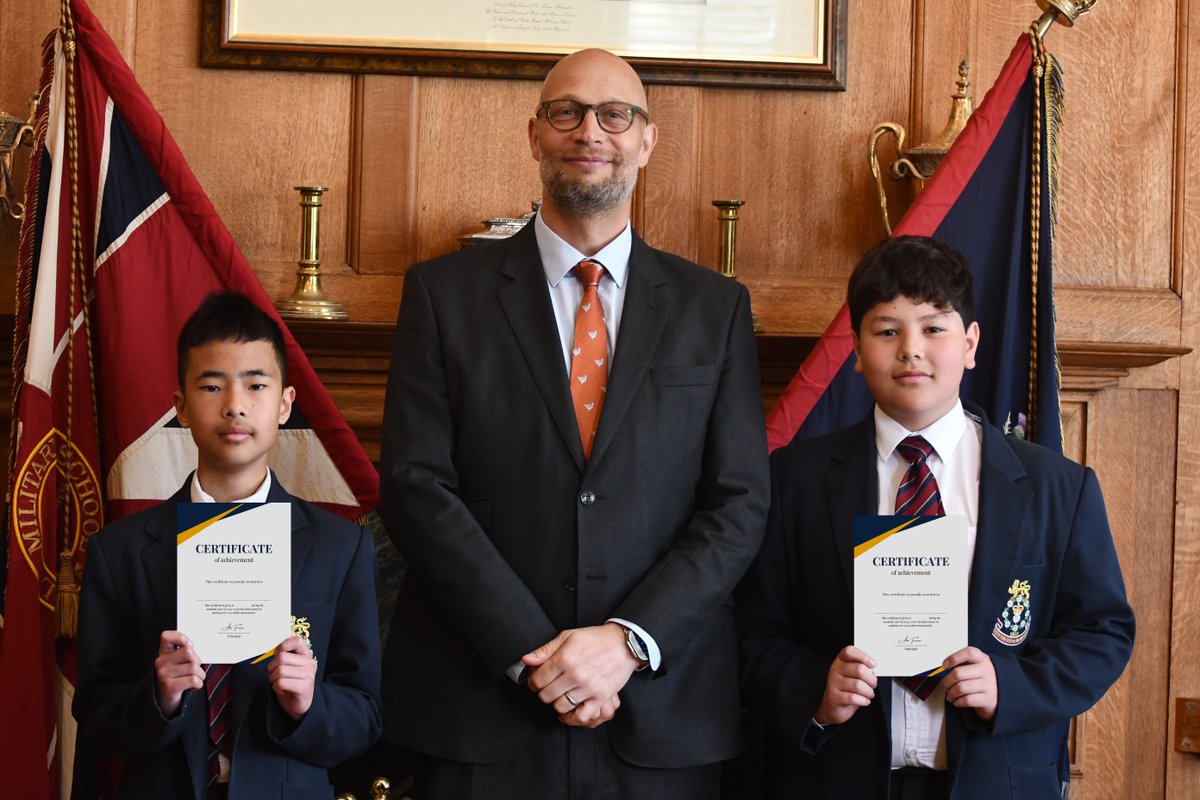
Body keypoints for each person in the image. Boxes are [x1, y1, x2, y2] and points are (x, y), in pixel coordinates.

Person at [379, 48, 769, 798]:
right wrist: (535, 652)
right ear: (534, 135)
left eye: (614, 114)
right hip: (479, 706)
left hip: (661, 713)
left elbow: (739, 503)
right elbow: (415, 486)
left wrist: (626, 642)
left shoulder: (713, 310)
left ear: (646, 141)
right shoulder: (441, 295)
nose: (590, 131)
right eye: (567, 112)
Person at [735, 235, 1135, 799]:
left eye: (933, 327)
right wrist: (815, 691)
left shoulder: (1057, 487)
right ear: (855, 348)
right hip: (838, 777)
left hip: (996, 780)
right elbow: (751, 630)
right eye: (887, 330)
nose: (911, 350)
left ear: (971, 344)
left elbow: (1104, 632)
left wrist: (1011, 685)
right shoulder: (795, 479)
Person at [73, 291, 381, 798]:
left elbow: (366, 715)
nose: (235, 405)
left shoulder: (340, 549)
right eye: (212, 386)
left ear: (285, 405)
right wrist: (160, 697)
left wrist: (308, 702)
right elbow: (95, 712)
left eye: (256, 385)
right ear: (182, 407)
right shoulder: (120, 551)